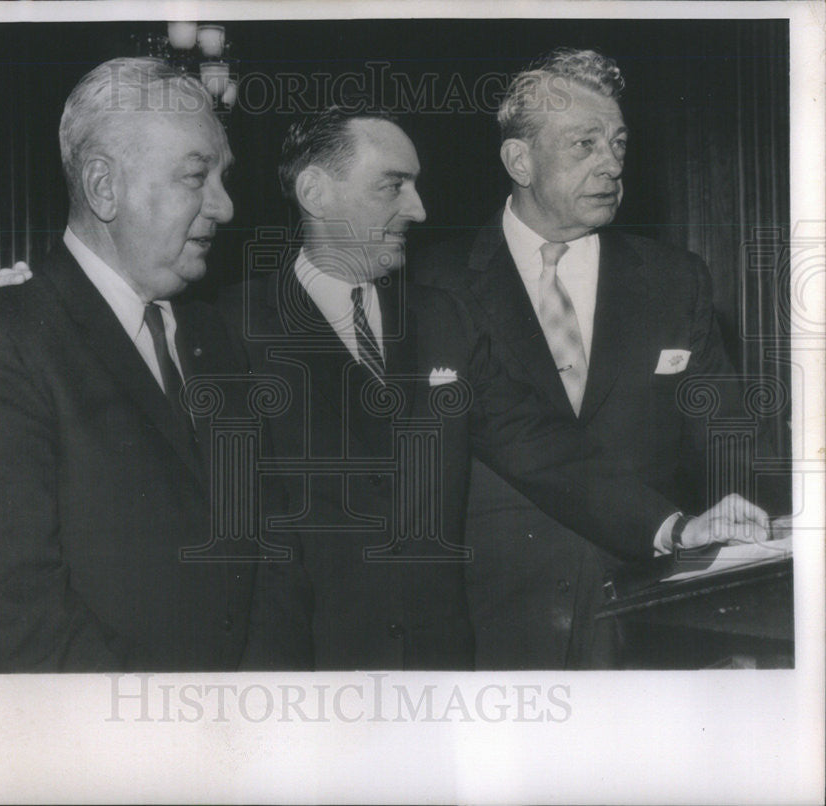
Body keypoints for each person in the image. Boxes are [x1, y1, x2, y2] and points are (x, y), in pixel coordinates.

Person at [215, 107, 772, 670]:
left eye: (416, 185)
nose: (418, 208)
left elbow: (539, 444)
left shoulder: (441, 320)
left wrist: (673, 527)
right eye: (393, 186)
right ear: (315, 191)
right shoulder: (227, 330)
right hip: (305, 677)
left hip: (441, 673)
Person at [414, 48, 790, 668]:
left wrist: (733, 580)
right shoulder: (433, 283)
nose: (611, 164)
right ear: (520, 160)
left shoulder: (674, 280)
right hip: (487, 622)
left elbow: (724, 436)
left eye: (618, 143)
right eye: (584, 145)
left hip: (651, 611)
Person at [0, 57, 265, 671]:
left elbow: (266, 558)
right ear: (104, 187)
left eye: (223, 177)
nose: (225, 207)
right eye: (196, 177)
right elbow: (21, 612)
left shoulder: (216, 338)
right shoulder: (4, 340)